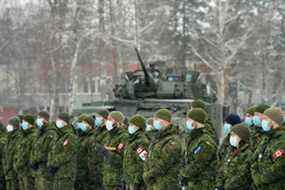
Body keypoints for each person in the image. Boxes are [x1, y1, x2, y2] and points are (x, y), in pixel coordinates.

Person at [143, 109, 182, 190]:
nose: (154, 122)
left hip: (166, 185)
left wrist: (148, 175)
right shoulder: (159, 138)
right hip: (155, 183)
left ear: (163, 120)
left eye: (156, 119)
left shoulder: (173, 140)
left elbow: (163, 163)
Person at [180, 108, 217, 189]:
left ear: (195, 121)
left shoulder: (206, 141)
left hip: (203, 184)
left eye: (189, 119)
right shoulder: (193, 138)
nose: (187, 122)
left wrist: (184, 174)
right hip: (193, 183)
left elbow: (198, 163)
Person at [251, 107, 285, 189]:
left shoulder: (282, 139)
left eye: (265, 119)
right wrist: (256, 177)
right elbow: (254, 159)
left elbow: (280, 167)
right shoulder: (267, 137)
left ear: (274, 121)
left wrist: (261, 179)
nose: (262, 121)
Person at [216, 124, 253, 189]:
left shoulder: (248, 153)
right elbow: (222, 168)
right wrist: (219, 185)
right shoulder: (230, 150)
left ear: (242, 137)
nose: (231, 137)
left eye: (234, 135)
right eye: (231, 134)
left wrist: (226, 186)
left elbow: (242, 175)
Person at [47, 113, 79, 190]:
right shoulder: (60, 134)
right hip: (58, 173)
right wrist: (50, 163)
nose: (57, 122)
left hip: (66, 174)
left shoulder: (70, 136)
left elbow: (67, 153)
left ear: (64, 121)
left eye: (59, 120)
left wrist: (54, 163)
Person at [30, 111, 57, 190]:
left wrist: (36, 159)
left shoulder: (51, 133)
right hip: (39, 170)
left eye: (39, 118)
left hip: (46, 170)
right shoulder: (40, 133)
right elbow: (35, 148)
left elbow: (49, 151)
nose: (37, 120)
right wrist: (33, 160)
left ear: (44, 119)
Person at [102, 111, 128, 190]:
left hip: (117, 179)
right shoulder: (110, 135)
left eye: (110, 119)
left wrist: (107, 153)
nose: (107, 122)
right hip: (108, 178)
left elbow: (122, 159)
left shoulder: (124, 136)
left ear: (117, 121)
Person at [123, 115, 148, 190]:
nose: (129, 127)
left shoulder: (141, 141)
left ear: (138, 127)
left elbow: (143, 162)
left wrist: (137, 180)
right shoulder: (131, 140)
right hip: (130, 180)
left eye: (132, 125)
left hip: (136, 183)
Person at [14, 115, 36, 190]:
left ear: (29, 123)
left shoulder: (33, 136)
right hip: (22, 171)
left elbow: (26, 153)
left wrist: (18, 164)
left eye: (24, 122)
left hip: (28, 172)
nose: (22, 124)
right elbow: (19, 152)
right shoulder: (24, 135)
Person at [2, 117, 21, 190]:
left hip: (14, 172)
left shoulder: (18, 137)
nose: (8, 126)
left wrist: (12, 166)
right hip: (8, 172)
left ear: (15, 126)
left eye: (10, 124)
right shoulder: (9, 137)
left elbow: (16, 155)